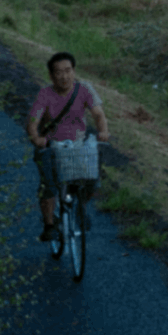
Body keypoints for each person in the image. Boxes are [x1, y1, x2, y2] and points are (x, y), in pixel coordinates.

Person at [27, 50, 108, 242]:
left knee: (91, 179)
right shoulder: (45, 94)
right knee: (49, 185)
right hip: (51, 145)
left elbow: (98, 114)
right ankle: (49, 224)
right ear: (51, 75)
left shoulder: (84, 89)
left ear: (74, 71)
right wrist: (36, 138)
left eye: (68, 70)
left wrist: (103, 131)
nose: (64, 76)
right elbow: (32, 121)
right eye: (59, 72)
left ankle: (81, 208)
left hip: (77, 145)